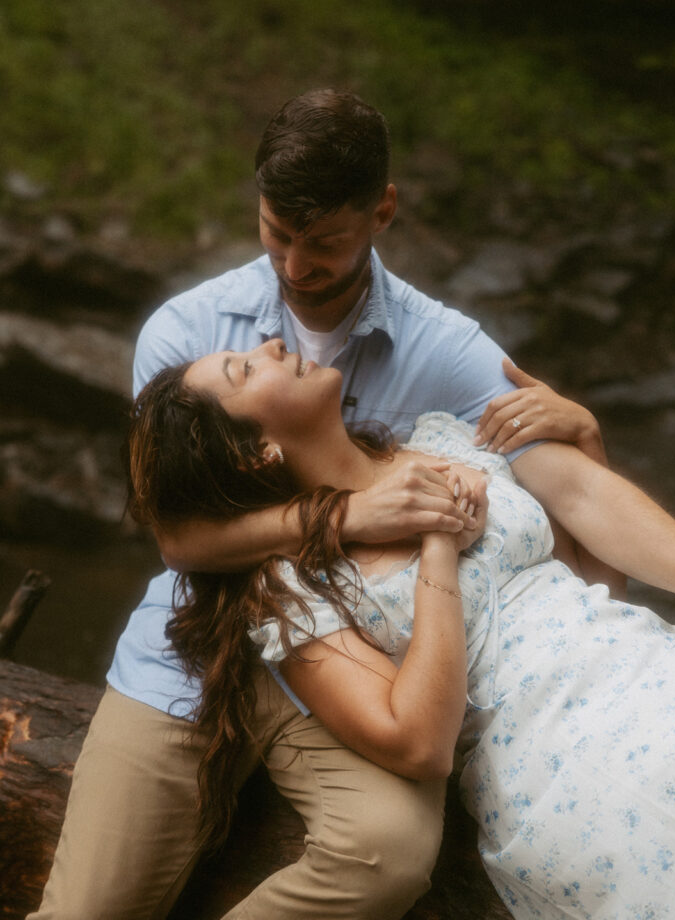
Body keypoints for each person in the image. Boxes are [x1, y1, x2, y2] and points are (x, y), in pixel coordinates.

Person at [30, 88, 622, 920]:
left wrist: (577, 431)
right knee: (90, 907)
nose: (296, 265)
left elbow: (557, 482)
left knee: (387, 854)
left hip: (357, 674)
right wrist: (343, 518)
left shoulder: (444, 345)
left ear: (382, 210)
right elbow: (179, 536)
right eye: (277, 234)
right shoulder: (186, 332)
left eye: (325, 244)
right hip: (193, 651)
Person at [124, 342, 675, 918]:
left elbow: (593, 582)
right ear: (257, 452)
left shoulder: (444, 439)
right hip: (557, 759)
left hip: (646, 663)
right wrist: (438, 543)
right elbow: (418, 744)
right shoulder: (294, 589)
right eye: (243, 370)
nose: (270, 345)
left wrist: (587, 441)